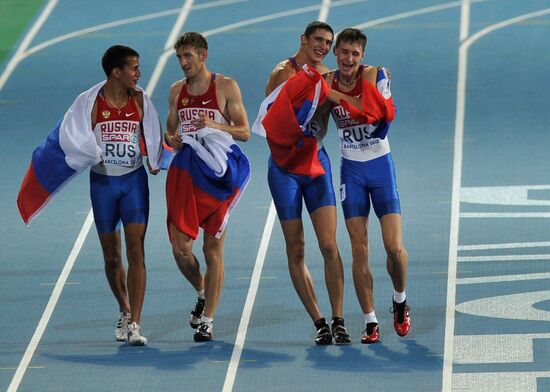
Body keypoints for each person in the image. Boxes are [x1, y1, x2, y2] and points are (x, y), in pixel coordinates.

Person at [263, 21, 351, 345]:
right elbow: (269, 121)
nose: (323, 47)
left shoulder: (327, 76)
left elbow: (347, 102)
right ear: (303, 40)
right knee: (296, 247)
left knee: (329, 245)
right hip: (285, 169)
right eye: (319, 40)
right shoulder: (282, 74)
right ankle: (319, 321)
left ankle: (339, 319)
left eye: (328, 42)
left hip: (316, 164)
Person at [323, 28, 411, 343]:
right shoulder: (326, 82)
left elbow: (379, 116)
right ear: (336, 52)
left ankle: (400, 299)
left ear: (363, 56)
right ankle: (370, 320)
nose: (349, 59)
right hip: (351, 171)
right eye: (344, 52)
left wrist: (337, 97)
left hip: (380, 167)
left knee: (394, 248)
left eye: (355, 54)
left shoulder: (376, 75)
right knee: (359, 249)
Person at [165, 32, 250, 342]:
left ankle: (209, 320)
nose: (184, 63)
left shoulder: (225, 86)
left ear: (203, 55)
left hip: (219, 177)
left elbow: (244, 132)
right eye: (179, 58)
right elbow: (170, 131)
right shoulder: (176, 91)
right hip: (188, 175)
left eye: (188, 56)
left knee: (212, 250)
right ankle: (202, 290)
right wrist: (170, 139)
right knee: (180, 249)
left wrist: (214, 125)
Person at [90, 45, 162, 346]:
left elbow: (155, 134)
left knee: (136, 250)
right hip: (103, 185)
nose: (139, 73)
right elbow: (71, 137)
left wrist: (159, 155)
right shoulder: (92, 104)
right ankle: (124, 307)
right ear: (116, 72)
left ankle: (135, 322)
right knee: (112, 256)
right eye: (134, 68)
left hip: (133, 182)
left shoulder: (140, 100)